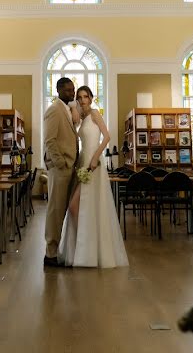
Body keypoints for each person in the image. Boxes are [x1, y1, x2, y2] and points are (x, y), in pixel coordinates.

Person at [58, 86, 129, 268]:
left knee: (75, 206)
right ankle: (85, 247)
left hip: (93, 163)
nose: (82, 100)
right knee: (80, 207)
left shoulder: (96, 114)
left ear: (91, 98)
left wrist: (96, 158)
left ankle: (87, 245)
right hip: (83, 162)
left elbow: (107, 137)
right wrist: (74, 107)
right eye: (79, 97)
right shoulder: (81, 117)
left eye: (85, 97)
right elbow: (73, 121)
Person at [43, 77, 78, 267]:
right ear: (58, 90)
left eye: (73, 90)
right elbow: (50, 140)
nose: (71, 93)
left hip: (70, 167)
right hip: (61, 169)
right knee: (55, 211)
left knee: (64, 211)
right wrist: (61, 163)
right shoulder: (54, 110)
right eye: (67, 90)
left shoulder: (67, 109)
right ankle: (50, 254)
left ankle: (59, 250)